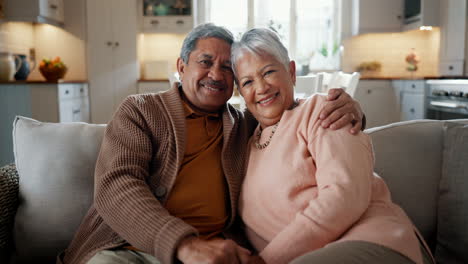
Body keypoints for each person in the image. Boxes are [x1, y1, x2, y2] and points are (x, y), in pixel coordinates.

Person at [59, 23, 364, 264]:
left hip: (212, 255)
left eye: (227, 68)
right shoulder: (141, 110)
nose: (216, 74)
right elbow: (116, 185)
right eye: (205, 62)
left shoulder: (244, 124)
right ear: (181, 66)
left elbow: (288, 108)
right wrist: (185, 246)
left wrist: (349, 110)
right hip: (126, 249)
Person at [233, 28, 435, 264]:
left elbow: (345, 195)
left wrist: (266, 261)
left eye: (268, 72)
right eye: (248, 81)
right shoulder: (244, 140)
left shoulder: (325, 111)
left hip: (370, 241)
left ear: (291, 72)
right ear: (240, 92)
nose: (261, 87)